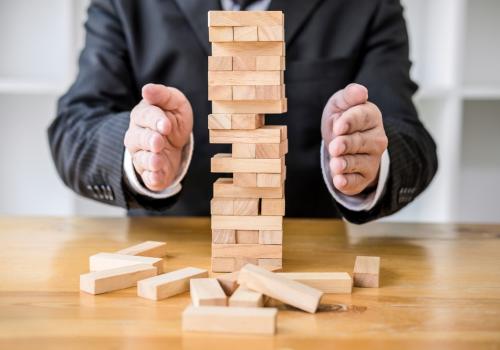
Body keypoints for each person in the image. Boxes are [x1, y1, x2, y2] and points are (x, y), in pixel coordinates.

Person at [48, 0, 438, 224]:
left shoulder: (369, 5)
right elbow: (73, 128)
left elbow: (410, 136)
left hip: (306, 257)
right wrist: (140, 155)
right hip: (171, 257)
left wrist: (370, 160)